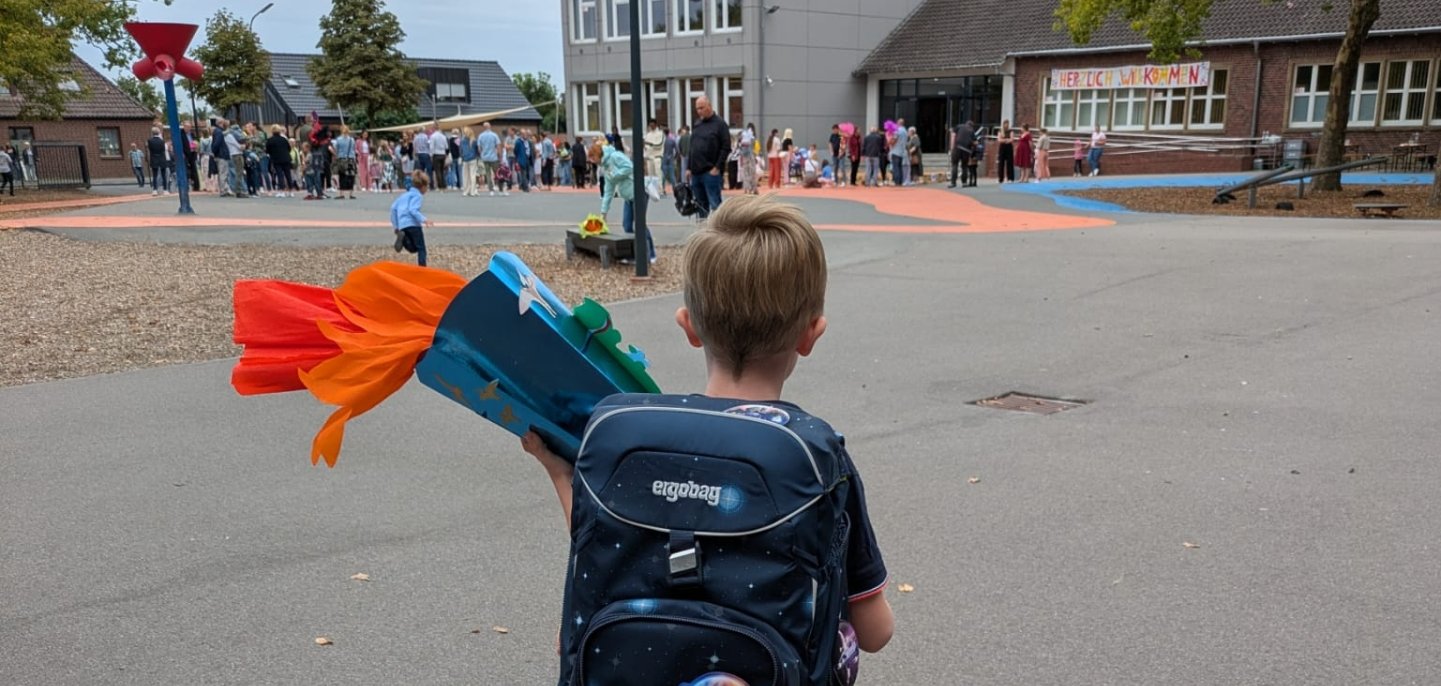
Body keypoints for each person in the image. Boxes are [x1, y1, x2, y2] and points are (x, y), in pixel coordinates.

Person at [519, 195, 895, 681]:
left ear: (689, 326)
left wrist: (559, 472)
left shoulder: (619, 431)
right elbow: (875, 631)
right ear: (811, 334)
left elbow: (600, 550)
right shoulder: (814, 457)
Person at [598, 143, 655, 263]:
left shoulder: (615, 156)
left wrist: (616, 175)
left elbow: (629, 167)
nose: (591, 161)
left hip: (639, 193)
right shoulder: (606, 167)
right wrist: (604, 212)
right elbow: (608, 191)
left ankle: (650, 255)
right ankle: (633, 254)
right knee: (627, 225)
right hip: (628, 198)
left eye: (592, 158)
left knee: (639, 225)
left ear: (598, 155)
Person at [686, 95, 730, 219]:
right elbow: (692, 147)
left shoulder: (720, 124)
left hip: (710, 172)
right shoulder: (697, 124)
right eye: (697, 108)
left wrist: (716, 168)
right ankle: (702, 228)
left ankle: (718, 228)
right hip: (696, 172)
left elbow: (726, 148)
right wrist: (689, 167)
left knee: (715, 204)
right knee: (700, 206)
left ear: (709, 106)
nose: (699, 111)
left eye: (702, 108)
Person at [389, 170, 434, 267]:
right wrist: (424, 220)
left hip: (402, 225)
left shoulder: (403, 196)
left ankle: (403, 238)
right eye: (427, 186)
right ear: (423, 186)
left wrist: (396, 226)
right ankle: (422, 269)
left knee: (412, 248)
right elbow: (413, 210)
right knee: (421, 248)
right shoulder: (417, 196)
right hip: (413, 224)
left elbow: (393, 209)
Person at [266, 125, 294, 198]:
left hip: (276, 159)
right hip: (286, 158)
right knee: (288, 174)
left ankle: (282, 191)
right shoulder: (284, 139)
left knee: (280, 175)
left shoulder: (270, 140)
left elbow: (267, 150)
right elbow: (289, 148)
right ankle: (291, 191)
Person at [477, 122, 502, 196]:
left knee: (488, 174)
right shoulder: (494, 135)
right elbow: (498, 146)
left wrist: (482, 154)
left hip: (485, 158)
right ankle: (500, 189)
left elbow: (479, 148)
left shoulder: (480, 136)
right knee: (497, 173)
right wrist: (500, 156)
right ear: (490, 126)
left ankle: (491, 190)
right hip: (494, 157)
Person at [949, 119, 975, 189]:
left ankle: (953, 183)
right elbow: (974, 142)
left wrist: (951, 148)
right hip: (966, 150)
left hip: (957, 148)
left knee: (954, 165)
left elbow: (953, 136)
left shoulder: (959, 126)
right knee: (964, 166)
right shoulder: (972, 130)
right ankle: (964, 182)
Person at [146, 127, 170, 196]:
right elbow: (163, 150)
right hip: (162, 158)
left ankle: (155, 190)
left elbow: (150, 149)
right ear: (158, 133)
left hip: (154, 158)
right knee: (164, 175)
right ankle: (165, 190)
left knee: (155, 175)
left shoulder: (149, 141)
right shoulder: (162, 141)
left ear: (152, 133)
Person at [995, 120, 1014, 184]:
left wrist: (1005, 140)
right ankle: (1000, 178)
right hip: (1002, 147)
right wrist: (1006, 140)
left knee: (1010, 163)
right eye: (1005, 124)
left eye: (1007, 124)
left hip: (1009, 147)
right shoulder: (1000, 131)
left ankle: (1010, 178)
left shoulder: (1010, 131)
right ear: (1003, 124)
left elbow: (1011, 139)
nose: (1006, 125)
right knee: (1001, 163)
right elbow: (999, 139)